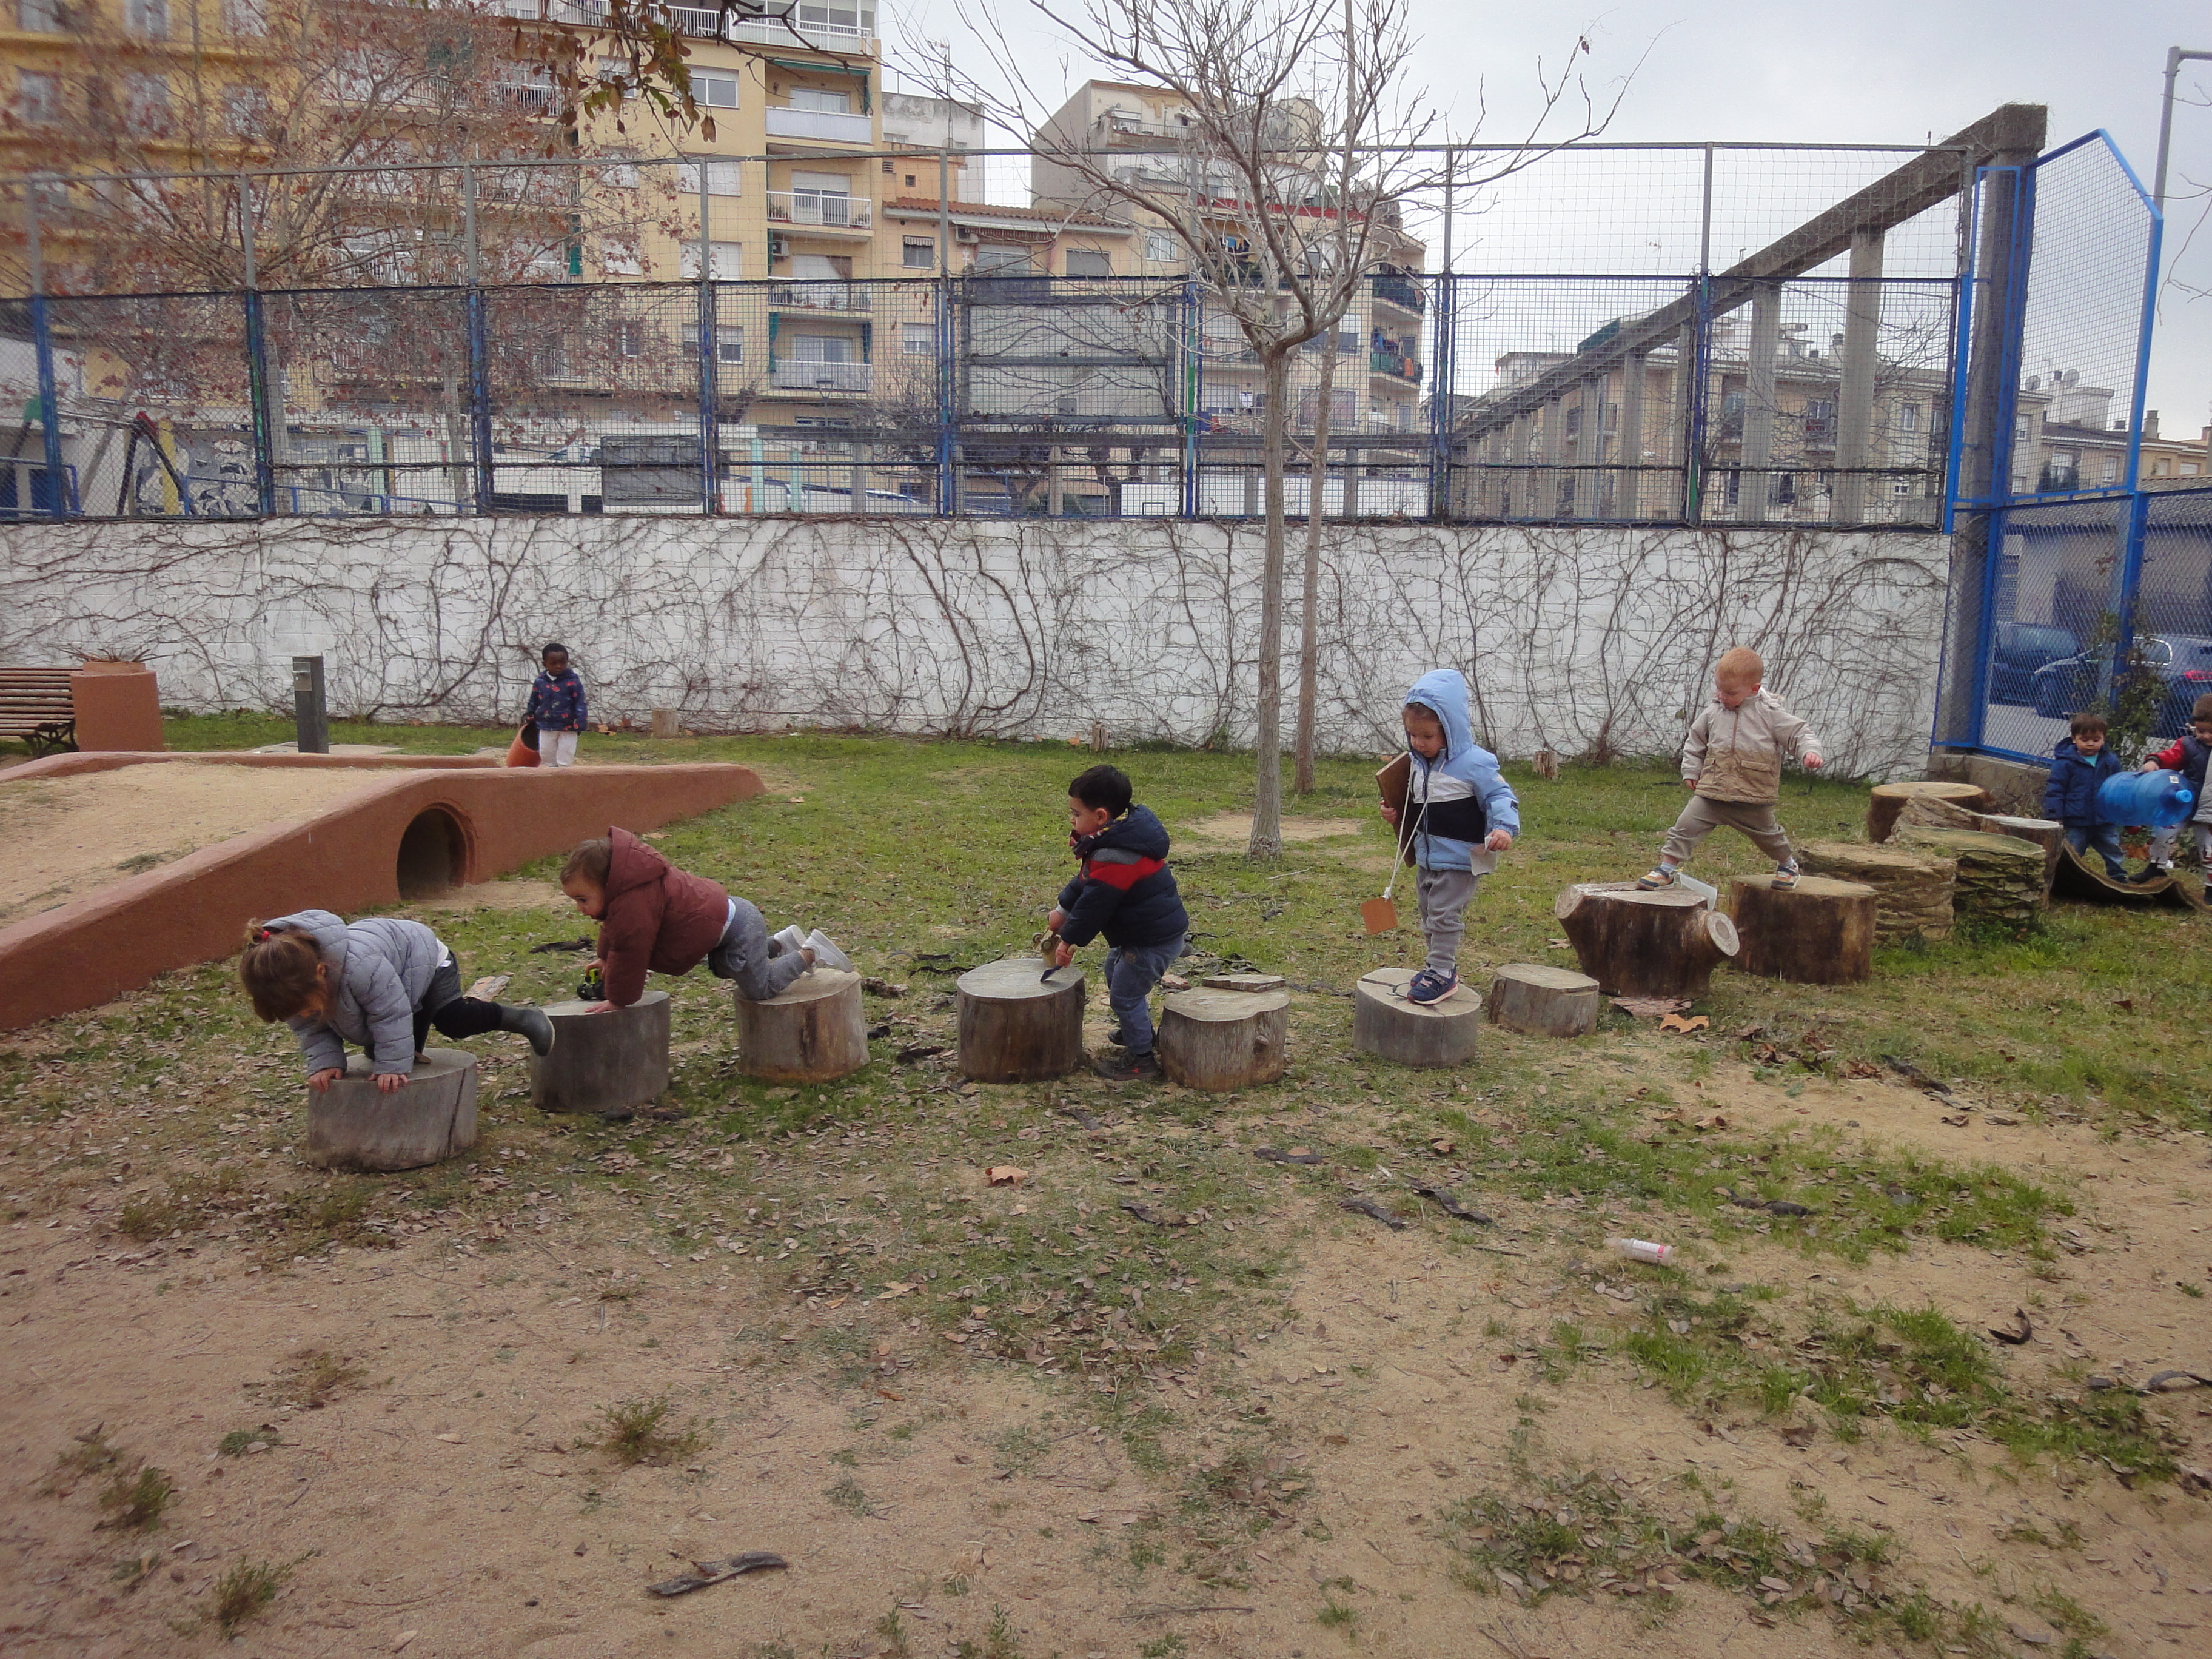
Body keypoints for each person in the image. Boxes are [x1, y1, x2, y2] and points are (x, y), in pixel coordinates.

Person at [240, 911, 552, 1091]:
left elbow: (390, 1013)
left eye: (307, 1007)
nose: (307, 1013)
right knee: (380, 1049)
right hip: (396, 979)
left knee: (453, 1021)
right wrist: (327, 1063)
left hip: (425, 959)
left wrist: (392, 1064)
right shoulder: (292, 986)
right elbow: (311, 1030)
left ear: (321, 972)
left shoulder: (361, 967)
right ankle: (410, 1039)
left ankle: (523, 1019)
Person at [559, 828, 851, 1011]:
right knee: (722, 968)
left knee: (761, 990)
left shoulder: (633, 904)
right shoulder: (630, 891)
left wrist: (618, 999)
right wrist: (605, 958)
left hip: (738, 931)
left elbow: (630, 951)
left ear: (609, 885)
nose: (579, 908)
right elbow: (614, 931)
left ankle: (810, 952)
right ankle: (778, 944)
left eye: (583, 899)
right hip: (730, 923)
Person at [1378, 669, 1520, 1005]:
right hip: (1427, 856)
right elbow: (1415, 803)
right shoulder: (1417, 764)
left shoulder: (1474, 763)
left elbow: (1500, 796)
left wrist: (1503, 827)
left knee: (1444, 915)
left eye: (1428, 736)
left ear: (1450, 728)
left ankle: (1441, 972)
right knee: (1429, 914)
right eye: (1413, 735)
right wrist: (1394, 812)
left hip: (1461, 858)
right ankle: (1438, 967)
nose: (1419, 743)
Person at [1047, 764, 1190, 1082]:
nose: (1072, 820)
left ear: (1100, 816)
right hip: (1145, 932)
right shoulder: (1116, 837)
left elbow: (1095, 905)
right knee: (1115, 971)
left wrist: (1068, 940)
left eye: (1076, 814)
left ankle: (1141, 1061)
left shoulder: (1118, 854)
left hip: (1152, 939)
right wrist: (1062, 909)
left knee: (1125, 996)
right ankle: (1137, 1030)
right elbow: (1087, 880)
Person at [1640, 647, 1823, 893]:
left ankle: (1788, 866)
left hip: (1752, 796)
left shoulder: (1770, 714)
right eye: (1719, 689)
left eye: (1730, 693)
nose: (1722, 696)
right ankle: (1666, 869)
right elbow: (1696, 742)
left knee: (1770, 837)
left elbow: (1800, 734)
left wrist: (1810, 752)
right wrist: (1692, 771)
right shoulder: (1713, 712)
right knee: (1683, 829)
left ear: (1754, 689)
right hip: (1712, 793)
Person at [2134, 692, 2212, 881]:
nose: (2206, 736)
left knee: (2209, 850)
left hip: (2210, 811)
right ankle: (2156, 867)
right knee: (2162, 832)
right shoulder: (2189, 745)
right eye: (2200, 731)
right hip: (2183, 802)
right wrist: (2155, 761)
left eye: (2211, 731)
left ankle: (2210, 887)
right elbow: (2171, 757)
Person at [2041, 711, 2127, 879]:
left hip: (2105, 819)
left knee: (2113, 849)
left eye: (2096, 740)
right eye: (2085, 739)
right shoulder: (2065, 763)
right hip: (2077, 819)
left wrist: (2122, 811)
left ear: (2104, 739)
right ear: (2074, 739)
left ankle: (2118, 877)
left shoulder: (2110, 761)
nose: (2090, 744)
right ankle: (2063, 878)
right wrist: (2055, 815)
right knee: (2073, 852)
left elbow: (2119, 786)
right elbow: (2055, 789)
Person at [525, 643, 588, 769]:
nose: (559, 666)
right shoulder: (540, 681)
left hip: (569, 726)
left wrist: (581, 720)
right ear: (545, 664)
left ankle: (564, 772)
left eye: (563, 663)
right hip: (546, 724)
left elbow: (580, 701)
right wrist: (530, 713)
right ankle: (551, 771)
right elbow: (534, 699)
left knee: (567, 752)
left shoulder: (573, 681)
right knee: (546, 752)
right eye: (553, 663)